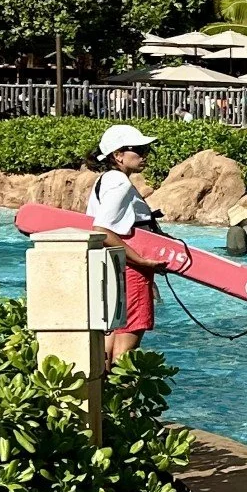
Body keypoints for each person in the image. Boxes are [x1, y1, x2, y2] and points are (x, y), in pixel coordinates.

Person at [86, 126, 169, 360]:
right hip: (131, 270)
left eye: (146, 149)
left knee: (109, 341)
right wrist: (142, 261)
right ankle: (124, 394)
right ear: (118, 155)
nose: (145, 154)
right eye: (139, 149)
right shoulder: (120, 183)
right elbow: (102, 228)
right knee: (126, 350)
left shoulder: (106, 180)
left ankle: (104, 393)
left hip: (113, 267)